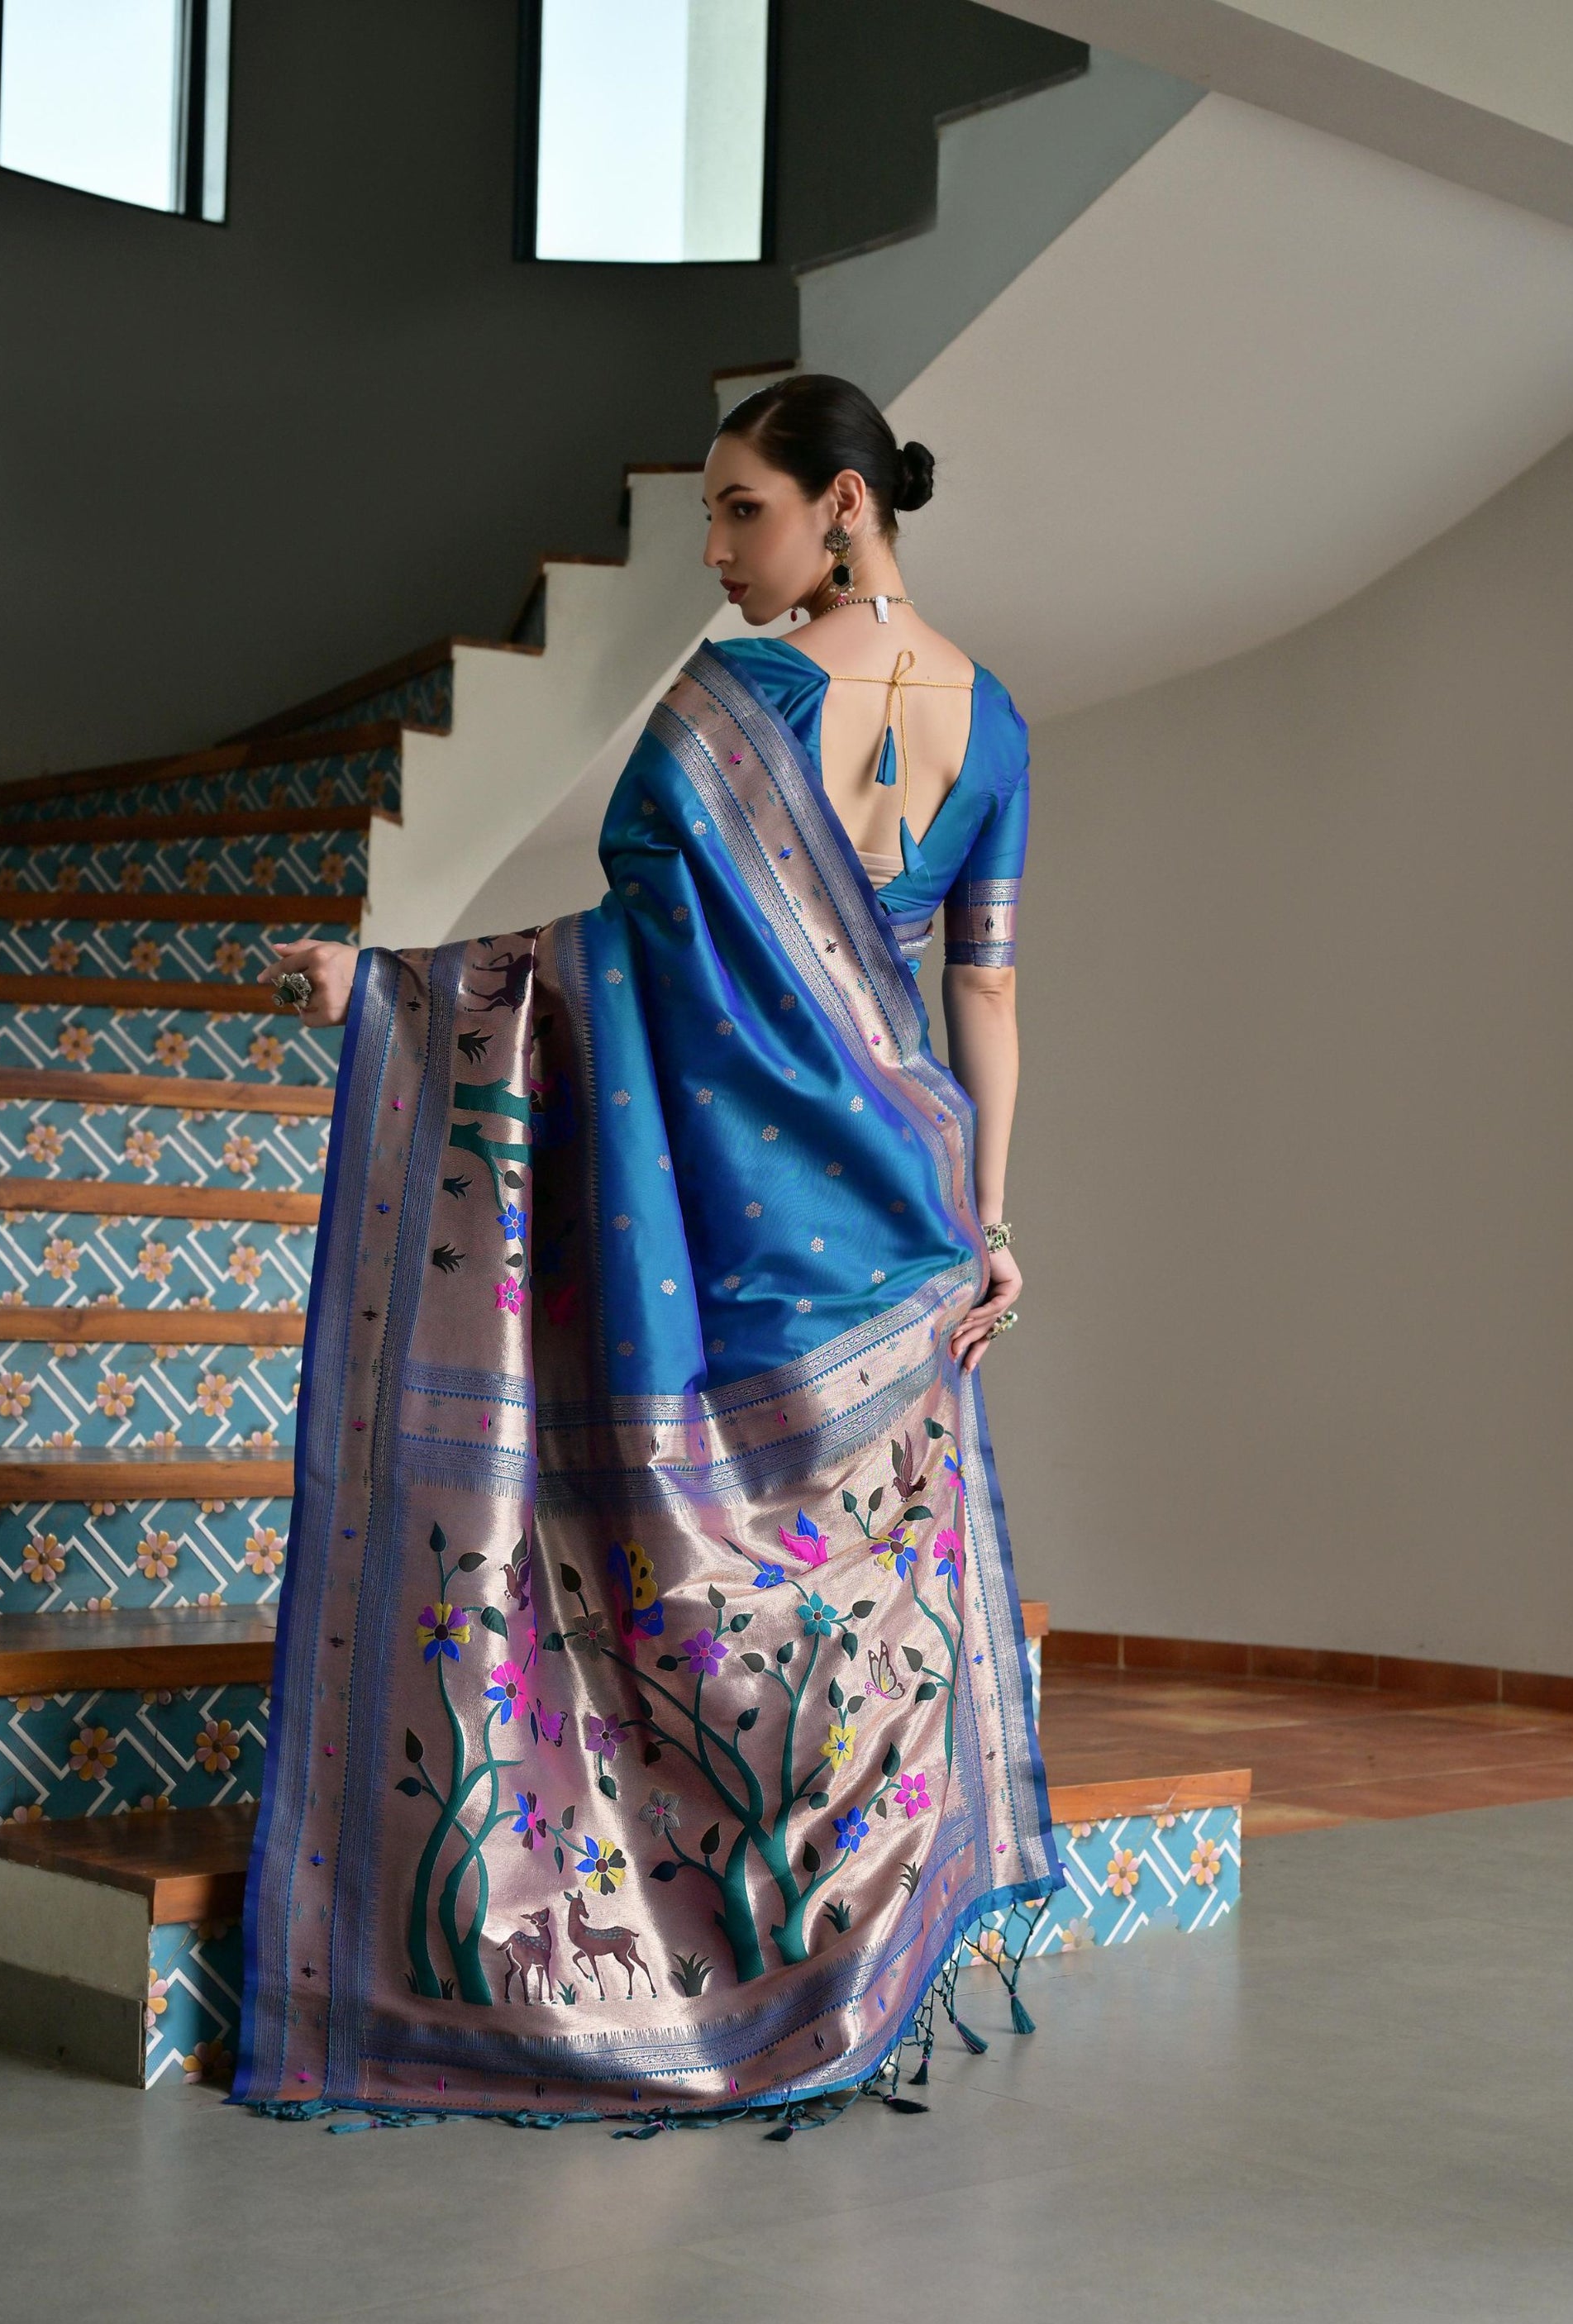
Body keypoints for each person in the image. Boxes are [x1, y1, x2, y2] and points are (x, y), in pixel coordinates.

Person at [236, 374, 1059, 2133]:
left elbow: (624, 960)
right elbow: (981, 990)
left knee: (691, 1579)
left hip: (745, 1207)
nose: (716, 552)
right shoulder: (993, 721)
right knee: (854, 1612)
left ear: (845, 504)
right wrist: (990, 1222)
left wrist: (394, 990)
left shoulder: (732, 707)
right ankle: (848, 1976)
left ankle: (679, 1974)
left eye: (742, 510)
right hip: (907, 1216)